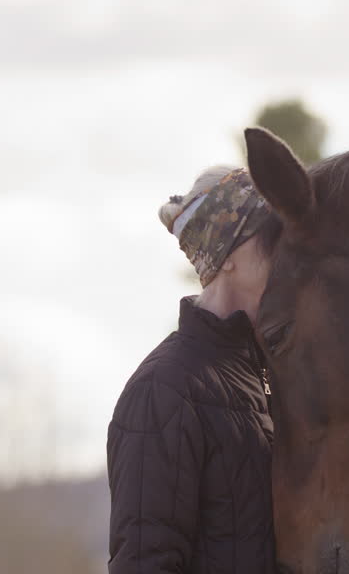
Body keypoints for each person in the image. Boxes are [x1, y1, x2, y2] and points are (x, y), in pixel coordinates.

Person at [107, 166, 278, 574]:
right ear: (229, 255)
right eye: (273, 236)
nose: (288, 251)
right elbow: (144, 564)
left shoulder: (268, 377)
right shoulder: (163, 390)